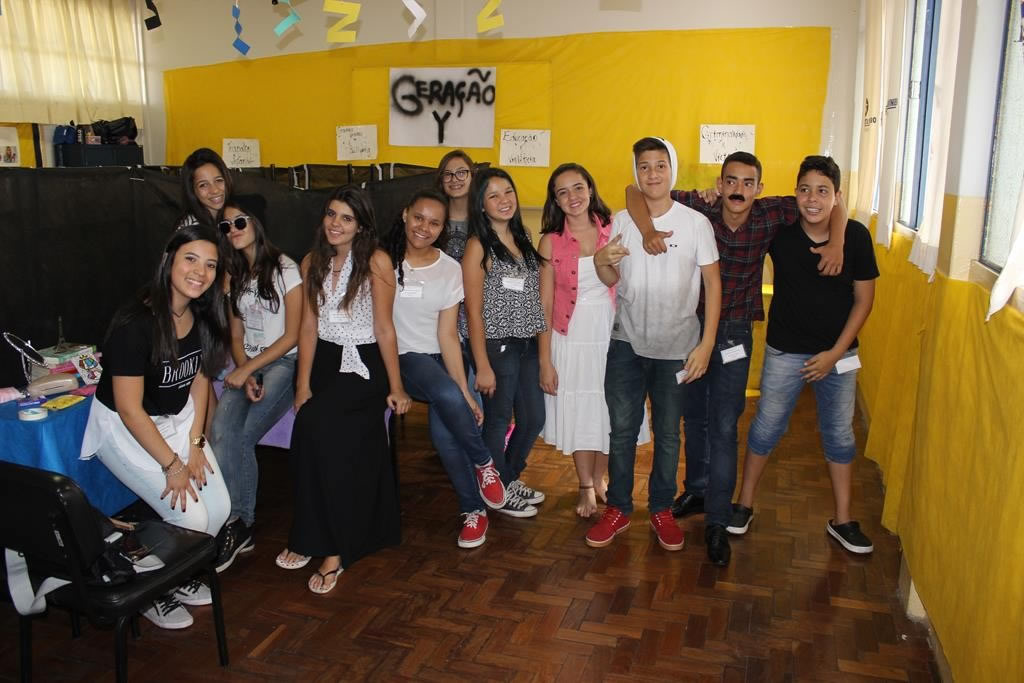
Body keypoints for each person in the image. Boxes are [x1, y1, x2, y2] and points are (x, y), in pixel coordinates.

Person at [624, 151, 846, 566]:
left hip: (735, 333)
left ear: (759, 188)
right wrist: (647, 230)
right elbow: (634, 192)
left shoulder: (770, 213)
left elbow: (836, 202)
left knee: (725, 425)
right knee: (694, 418)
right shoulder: (700, 206)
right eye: (731, 181)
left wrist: (837, 241)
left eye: (747, 183)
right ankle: (697, 490)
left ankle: (718, 520)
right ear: (720, 184)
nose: (738, 190)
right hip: (691, 330)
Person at [80, 224, 231, 630]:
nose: (200, 272)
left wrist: (196, 444)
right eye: (190, 259)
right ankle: (147, 588)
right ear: (168, 261)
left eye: (210, 265)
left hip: (176, 420)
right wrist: (173, 465)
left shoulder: (202, 313)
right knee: (193, 519)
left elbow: (200, 381)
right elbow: (130, 409)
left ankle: (174, 577)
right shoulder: (135, 323)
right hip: (126, 428)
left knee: (219, 510)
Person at [731, 155, 878, 554]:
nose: (813, 199)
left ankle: (843, 520)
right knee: (766, 426)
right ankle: (743, 504)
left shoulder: (856, 237)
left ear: (837, 196)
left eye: (823, 191)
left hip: (840, 354)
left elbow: (864, 302)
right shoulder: (781, 231)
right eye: (805, 190)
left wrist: (834, 353)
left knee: (839, 434)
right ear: (795, 192)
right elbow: (739, 208)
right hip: (785, 350)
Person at [586, 136, 721, 551]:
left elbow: (714, 285)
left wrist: (705, 345)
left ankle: (661, 508)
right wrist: (599, 263)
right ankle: (619, 508)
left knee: (667, 435)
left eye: (660, 165)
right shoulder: (622, 221)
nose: (652, 174)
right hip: (626, 343)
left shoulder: (695, 223)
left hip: (677, 349)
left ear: (672, 169)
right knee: (622, 432)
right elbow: (612, 278)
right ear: (636, 172)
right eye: (644, 166)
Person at [277, 186, 411, 595]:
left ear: (361, 226)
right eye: (331, 214)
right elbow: (308, 327)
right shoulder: (311, 261)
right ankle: (309, 535)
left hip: (364, 365)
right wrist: (302, 385)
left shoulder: (377, 262)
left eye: (346, 218)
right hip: (324, 362)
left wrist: (396, 386)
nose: (335, 224)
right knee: (306, 432)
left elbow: (384, 328)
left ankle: (335, 548)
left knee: (321, 430)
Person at [385, 189, 507, 548]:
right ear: (405, 214)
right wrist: (459, 394)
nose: (424, 227)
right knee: (445, 392)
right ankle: (484, 463)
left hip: (441, 358)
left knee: (446, 436)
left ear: (442, 228)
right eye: (418, 218)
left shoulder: (450, 269)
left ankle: (474, 511)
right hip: (404, 358)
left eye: (434, 223)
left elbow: (448, 335)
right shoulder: (383, 261)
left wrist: (465, 392)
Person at [538, 163, 642, 518]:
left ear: (591, 189)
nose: (573, 197)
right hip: (570, 337)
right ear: (555, 200)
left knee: (609, 410)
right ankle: (585, 484)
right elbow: (545, 304)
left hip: (613, 333)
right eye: (563, 192)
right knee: (581, 411)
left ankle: (599, 479)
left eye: (578, 187)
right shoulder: (550, 241)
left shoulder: (614, 229)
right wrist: (545, 361)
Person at [208, 199, 302, 571]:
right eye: (225, 226)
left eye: (239, 222)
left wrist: (250, 370)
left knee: (244, 433)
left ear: (257, 223)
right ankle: (229, 517)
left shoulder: (286, 268)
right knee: (220, 431)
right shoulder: (234, 275)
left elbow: (293, 335)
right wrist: (245, 371)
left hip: (284, 362)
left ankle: (240, 523)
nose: (232, 230)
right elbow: (236, 335)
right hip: (249, 364)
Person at [462, 167, 547, 518]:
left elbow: (533, 294)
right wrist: (482, 365)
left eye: (508, 191)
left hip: (526, 342)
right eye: (493, 195)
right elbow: (473, 311)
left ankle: (507, 477)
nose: (504, 200)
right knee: (498, 421)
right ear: (481, 205)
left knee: (534, 418)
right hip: (496, 345)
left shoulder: (523, 235)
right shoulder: (477, 246)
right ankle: (497, 489)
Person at [177, 147, 232, 228]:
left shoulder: (229, 217)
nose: (215, 190)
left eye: (218, 180)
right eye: (203, 185)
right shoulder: (192, 228)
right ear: (192, 190)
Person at [436, 150, 475, 262]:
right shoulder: (432, 219)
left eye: (461, 173)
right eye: (448, 174)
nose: (454, 179)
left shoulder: (485, 219)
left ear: (472, 176)